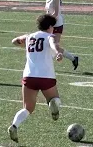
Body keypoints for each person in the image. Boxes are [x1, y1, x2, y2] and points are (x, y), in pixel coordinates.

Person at [7, 14, 64, 143]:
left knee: (27, 108)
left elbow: (14, 41)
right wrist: (58, 53)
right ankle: (53, 103)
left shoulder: (29, 37)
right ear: (49, 26)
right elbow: (53, 44)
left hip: (29, 76)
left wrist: (23, 43)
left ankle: (14, 125)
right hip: (46, 76)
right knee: (55, 98)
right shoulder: (50, 36)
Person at [44, 0, 79, 70]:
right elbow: (48, 11)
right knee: (49, 44)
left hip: (57, 24)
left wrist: (47, 21)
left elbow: (55, 13)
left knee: (55, 46)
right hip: (50, 24)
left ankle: (73, 58)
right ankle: (73, 58)